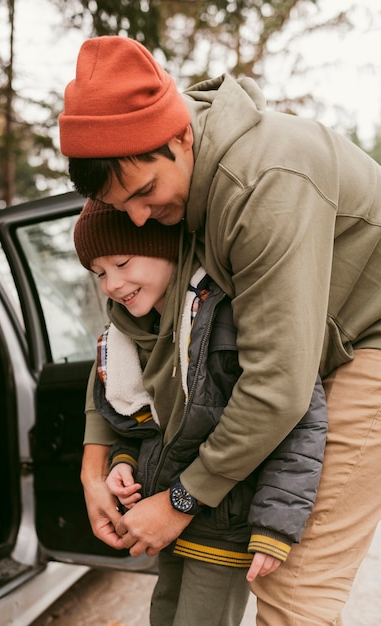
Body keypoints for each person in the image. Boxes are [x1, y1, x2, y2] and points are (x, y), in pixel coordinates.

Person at [59, 35, 381, 625]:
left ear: (179, 135)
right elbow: (125, 334)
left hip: (370, 343)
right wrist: (94, 461)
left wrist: (183, 499)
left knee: (295, 589)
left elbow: (279, 385)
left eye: (143, 194)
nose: (137, 219)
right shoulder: (179, 194)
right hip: (310, 353)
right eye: (118, 206)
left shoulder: (264, 183)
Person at [73, 198, 327, 626]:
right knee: (165, 615)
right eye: (99, 274)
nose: (112, 284)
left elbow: (298, 420)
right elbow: (149, 423)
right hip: (168, 520)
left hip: (226, 524)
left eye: (121, 262)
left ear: (165, 247)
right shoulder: (136, 336)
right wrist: (123, 460)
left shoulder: (229, 316)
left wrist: (275, 525)